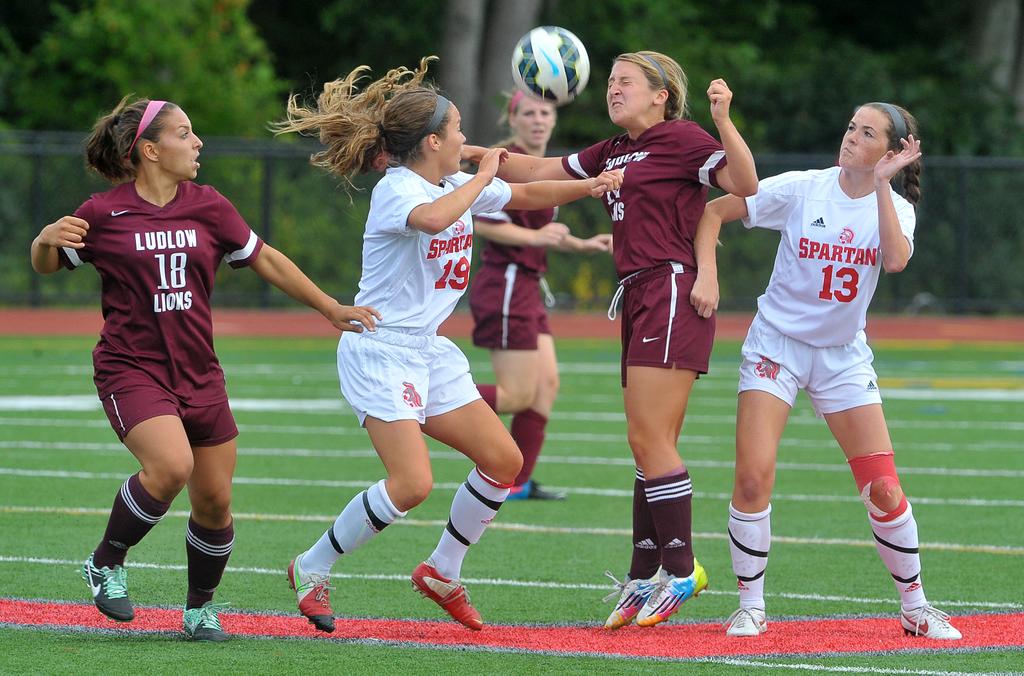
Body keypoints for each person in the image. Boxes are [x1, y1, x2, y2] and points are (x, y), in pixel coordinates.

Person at [272, 57, 622, 633]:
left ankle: (442, 569)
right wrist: (484, 175)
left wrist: (592, 186)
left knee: (505, 461)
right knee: (412, 484)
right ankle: (311, 567)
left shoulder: (453, 181)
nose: (466, 138)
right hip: (380, 349)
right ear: (433, 141)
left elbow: (527, 195)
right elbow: (434, 221)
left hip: (428, 350)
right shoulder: (398, 189)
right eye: (457, 129)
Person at [29, 97, 378, 642]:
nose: (198, 143)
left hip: (200, 372)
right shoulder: (104, 212)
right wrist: (43, 241)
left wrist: (329, 307)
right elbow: (49, 263)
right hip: (131, 369)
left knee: (214, 500)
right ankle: (106, 562)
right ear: (149, 149)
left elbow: (266, 258)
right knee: (170, 467)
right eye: (185, 134)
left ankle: (198, 610)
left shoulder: (210, 206)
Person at [464, 51, 758, 628]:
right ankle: (644, 574)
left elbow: (745, 185)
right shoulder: (612, 151)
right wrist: (467, 154)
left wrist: (724, 120)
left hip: (670, 290)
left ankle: (681, 569)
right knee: (647, 443)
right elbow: (533, 173)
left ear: (661, 95)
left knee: (649, 437)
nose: (613, 91)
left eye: (626, 83)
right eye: (612, 83)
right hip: (641, 294)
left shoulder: (684, 137)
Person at [691, 102, 961, 640]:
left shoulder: (897, 207)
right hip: (778, 346)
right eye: (851, 128)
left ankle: (915, 606)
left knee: (883, 486)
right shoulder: (804, 188)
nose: (851, 138)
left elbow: (896, 259)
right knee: (752, 476)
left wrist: (883, 185)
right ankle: (750, 605)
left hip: (842, 356)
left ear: (891, 152)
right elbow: (714, 212)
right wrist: (708, 273)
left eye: (867, 134)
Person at [470, 90, 613, 502]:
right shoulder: (503, 162)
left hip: (528, 286)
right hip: (506, 284)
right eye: (528, 113)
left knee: (546, 385)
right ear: (511, 121)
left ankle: (517, 483)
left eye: (545, 112)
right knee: (517, 395)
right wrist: (535, 236)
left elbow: (545, 236)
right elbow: (483, 223)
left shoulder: (548, 167)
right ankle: (429, 400)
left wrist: (583, 244)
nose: (537, 119)